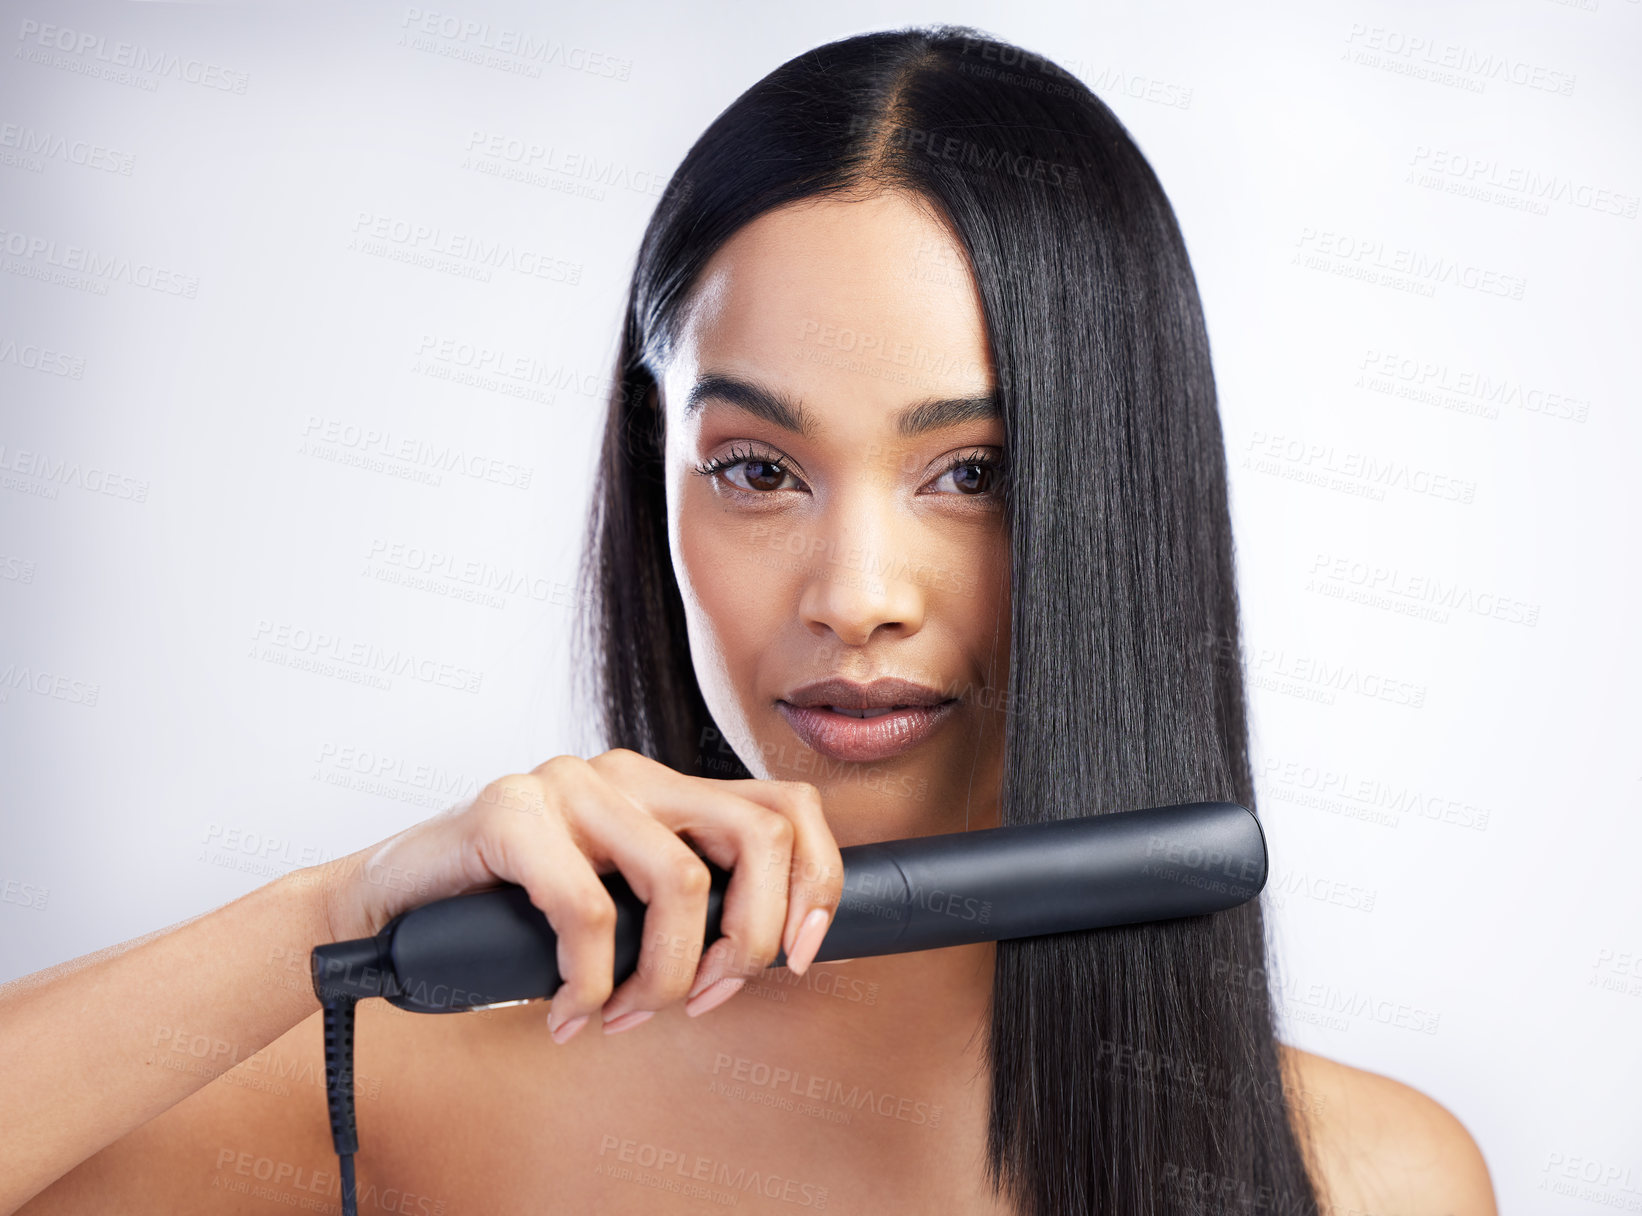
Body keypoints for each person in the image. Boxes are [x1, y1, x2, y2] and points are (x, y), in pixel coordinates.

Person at [0, 24, 1498, 1216]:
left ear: (1123, 495)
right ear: (655, 480)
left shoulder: (1372, 1182)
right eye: (757, 471)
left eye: (970, 473)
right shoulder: (414, 1090)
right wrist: (325, 920)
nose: (854, 597)